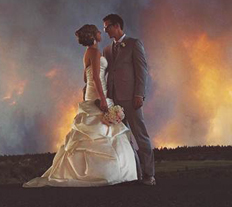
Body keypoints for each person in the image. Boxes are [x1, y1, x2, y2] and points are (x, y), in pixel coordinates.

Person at [23, 24, 138, 188]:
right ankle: (106, 173)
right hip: (98, 93)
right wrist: (103, 99)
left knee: (95, 131)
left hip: (91, 93)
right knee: (102, 131)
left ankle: (97, 171)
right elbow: (97, 79)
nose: (100, 33)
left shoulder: (87, 53)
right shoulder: (96, 52)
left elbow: (86, 77)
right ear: (93, 35)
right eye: (98, 31)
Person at [102, 14, 156, 186]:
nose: (105, 30)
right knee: (123, 139)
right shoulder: (107, 50)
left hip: (131, 99)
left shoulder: (134, 44)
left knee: (140, 135)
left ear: (117, 25)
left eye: (107, 26)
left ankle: (149, 175)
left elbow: (142, 71)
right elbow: (107, 73)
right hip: (114, 101)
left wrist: (139, 94)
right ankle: (134, 174)